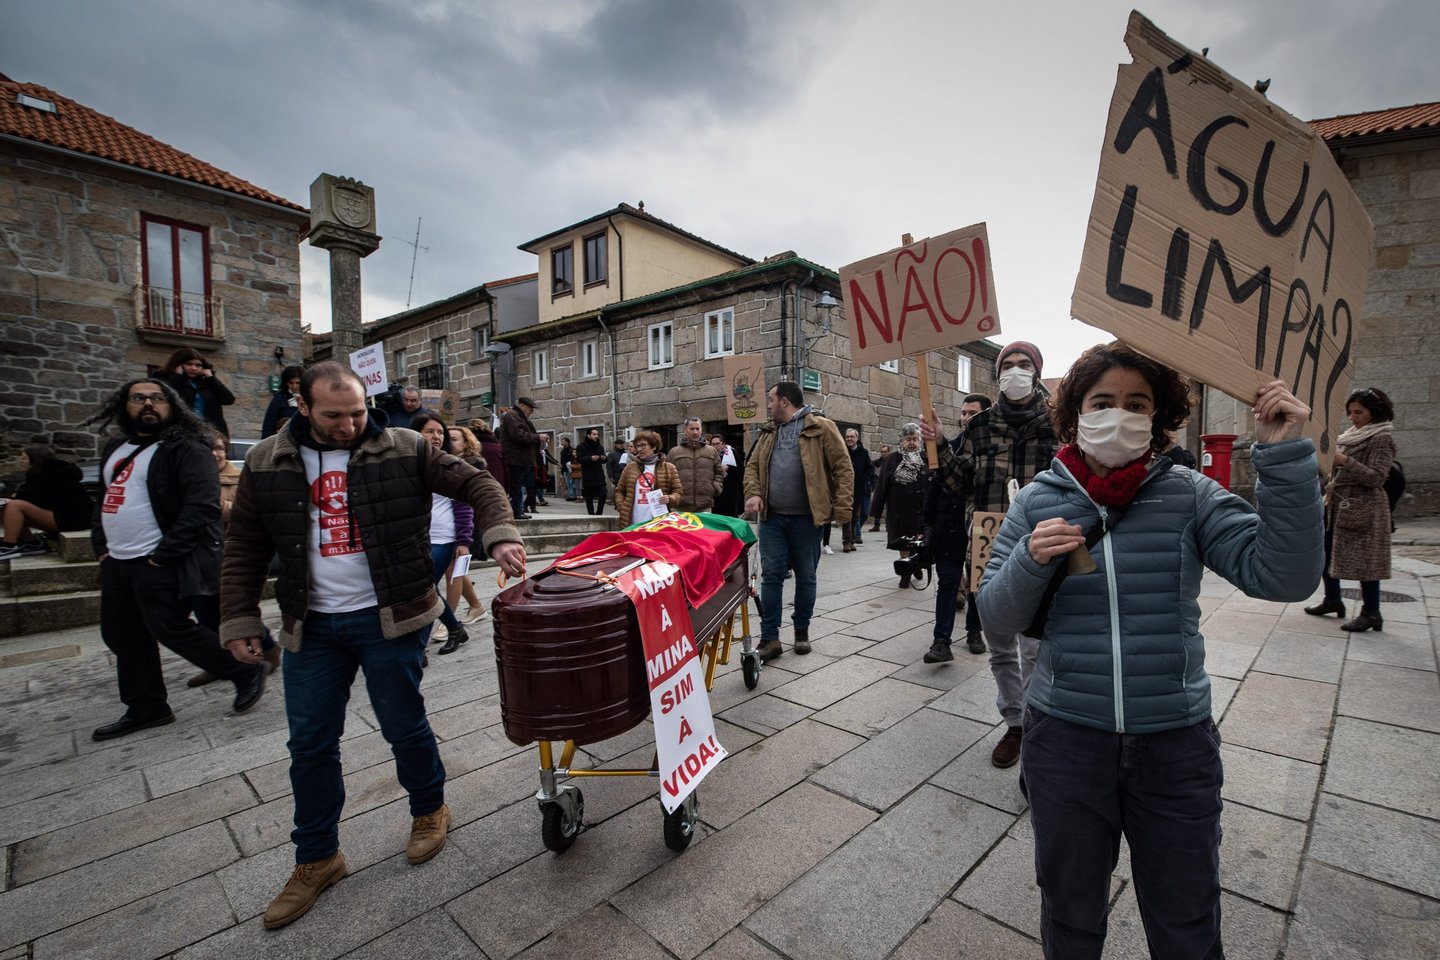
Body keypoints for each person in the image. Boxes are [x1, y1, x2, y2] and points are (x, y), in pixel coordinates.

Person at [977, 342, 1321, 959]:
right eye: (1102, 402)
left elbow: (1284, 577)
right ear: (1075, 414)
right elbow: (996, 619)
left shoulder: (1189, 494)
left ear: (1157, 416)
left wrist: (1283, 457)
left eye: (1136, 404)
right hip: (1066, 738)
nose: (1119, 415)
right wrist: (1029, 560)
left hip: (1174, 743)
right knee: (1070, 910)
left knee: (1186, 917)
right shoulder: (1035, 500)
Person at [219, 362, 524, 931]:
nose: (348, 425)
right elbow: (244, 546)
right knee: (309, 744)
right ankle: (316, 857)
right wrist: (238, 618)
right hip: (310, 626)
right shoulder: (266, 460)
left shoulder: (405, 447)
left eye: (357, 413)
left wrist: (499, 535)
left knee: (403, 724)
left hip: (392, 617)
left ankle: (429, 809)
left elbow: (479, 484)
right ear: (302, 407)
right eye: (333, 415)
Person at [85, 379, 266, 740]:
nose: (148, 404)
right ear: (123, 404)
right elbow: (107, 498)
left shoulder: (186, 449)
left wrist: (163, 556)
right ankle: (146, 706)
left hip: (159, 559)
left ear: (173, 405)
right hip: (118, 560)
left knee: (169, 626)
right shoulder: (117, 448)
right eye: (139, 398)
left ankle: (242, 669)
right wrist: (101, 547)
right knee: (122, 633)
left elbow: (201, 507)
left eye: (158, 398)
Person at [920, 341, 1057, 769]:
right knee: (1000, 645)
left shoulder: (1059, 422)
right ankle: (1015, 723)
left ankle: (1037, 723)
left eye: (1024, 364)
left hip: (1042, 540)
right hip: (989, 542)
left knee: (1034, 646)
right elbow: (958, 482)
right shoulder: (980, 426)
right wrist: (939, 444)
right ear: (998, 375)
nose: (1015, 371)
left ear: (1036, 371)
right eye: (1008, 365)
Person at [743, 382, 854, 661]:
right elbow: (752, 466)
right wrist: (754, 493)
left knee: (806, 577)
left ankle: (801, 630)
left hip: (807, 519)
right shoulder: (769, 431)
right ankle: (770, 638)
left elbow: (843, 468)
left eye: (770, 400)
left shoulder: (822, 427)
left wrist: (843, 507)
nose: (768, 405)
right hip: (772, 519)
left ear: (784, 401)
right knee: (771, 576)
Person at [186, 434, 281, 687]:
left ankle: (268, 650)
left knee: (232, 606)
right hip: (197, 554)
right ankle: (220, 661)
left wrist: (213, 504)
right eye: (207, 449)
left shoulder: (238, 477)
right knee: (205, 612)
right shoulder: (189, 479)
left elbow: (245, 515)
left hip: (227, 552)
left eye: (218, 448)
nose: (214, 454)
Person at [1304, 386, 1397, 633]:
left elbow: (1376, 477)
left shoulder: (1382, 438)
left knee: (1366, 561)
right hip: (1337, 503)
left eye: (1359, 412)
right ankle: (1332, 599)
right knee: (1325, 552)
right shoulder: (1349, 436)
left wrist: (1344, 461)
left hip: (1364, 507)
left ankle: (1371, 612)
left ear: (1374, 412)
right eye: (1350, 412)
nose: (1352, 417)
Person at [412, 415, 475, 656]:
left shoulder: (450, 465)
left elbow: (464, 506)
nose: (436, 436)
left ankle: (419, 648)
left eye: (440, 432)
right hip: (417, 537)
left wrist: (463, 541)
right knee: (424, 589)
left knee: (426, 589)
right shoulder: (408, 464)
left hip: (444, 538)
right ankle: (455, 628)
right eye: (430, 431)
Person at [0, 444, 93, 560]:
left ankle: (9, 546)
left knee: (14, 506)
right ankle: (32, 543)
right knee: (5, 507)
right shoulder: (39, 472)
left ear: (35, 459)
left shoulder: (52, 474)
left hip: (71, 519)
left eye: (24, 458)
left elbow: (38, 499)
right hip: (58, 515)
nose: (21, 461)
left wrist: (13, 500)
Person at [954, 393, 993, 656]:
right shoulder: (956, 444)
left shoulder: (992, 439)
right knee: (967, 573)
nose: (966, 418)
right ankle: (971, 629)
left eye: (972, 413)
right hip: (960, 518)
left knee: (979, 577)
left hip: (986, 516)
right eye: (964, 412)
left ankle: (979, 627)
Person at [870, 424, 931, 586]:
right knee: (903, 542)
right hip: (899, 509)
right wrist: (876, 509)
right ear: (902, 440)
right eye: (908, 439)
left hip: (922, 508)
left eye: (915, 439)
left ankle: (916, 564)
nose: (912, 443)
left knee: (919, 541)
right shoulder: (892, 459)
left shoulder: (926, 458)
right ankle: (905, 573)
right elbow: (882, 484)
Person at [446, 425, 490, 625]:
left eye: (454, 439)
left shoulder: (473, 466)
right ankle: (476, 606)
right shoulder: (440, 462)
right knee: (455, 569)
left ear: (467, 443)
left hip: (465, 524)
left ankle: (448, 623)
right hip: (445, 525)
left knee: (454, 569)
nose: (448, 442)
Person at [160, 347, 235, 439]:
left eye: (198, 365)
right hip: (181, 432)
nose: (193, 368)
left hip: (210, 433)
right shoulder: (166, 379)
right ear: (179, 365)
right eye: (189, 364)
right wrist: (177, 377)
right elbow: (166, 397)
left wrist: (211, 378)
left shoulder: (207, 382)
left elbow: (228, 400)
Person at [614, 431, 682, 526]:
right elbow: (619, 491)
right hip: (633, 522)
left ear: (654, 447)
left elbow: (678, 492)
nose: (639, 449)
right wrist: (622, 507)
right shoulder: (630, 467)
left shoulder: (669, 468)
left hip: (658, 522)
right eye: (637, 446)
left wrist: (670, 498)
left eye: (643, 445)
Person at [668, 416, 725, 514]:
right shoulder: (674, 452)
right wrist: (673, 494)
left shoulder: (711, 451)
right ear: (685, 430)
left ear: (701, 430)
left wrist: (715, 488)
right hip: (680, 505)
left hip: (704, 505)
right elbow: (667, 475)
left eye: (697, 429)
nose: (695, 432)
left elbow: (719, 472)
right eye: (692, 429)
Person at [499, 397, 542, 520]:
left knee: (517, 486)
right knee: (516, 487)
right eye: (530, 409)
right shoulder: (512, 416)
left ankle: (518, 511)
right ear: (523, 406)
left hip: (520, 459)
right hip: (515, 458)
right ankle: (517, 512)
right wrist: (537, 437)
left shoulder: (517, 416)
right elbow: (518, 435)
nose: (531, 412)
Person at [844, 429, 876, 551]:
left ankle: (853, 539)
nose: (849, 439)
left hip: (859, 489)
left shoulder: (864, 452)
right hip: (845, 489)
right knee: (846, 516)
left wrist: (866, 481)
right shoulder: (843, 450)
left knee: (857, 516)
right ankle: (847, 542)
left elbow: (870, 469)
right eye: (847, 437)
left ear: (857, 438)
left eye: (851, 437)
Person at [262, 365, 305, 439]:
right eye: (291, 383)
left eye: (298, 383)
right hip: (284, 439)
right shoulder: (279, 399)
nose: (294, 386)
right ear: (286, 383)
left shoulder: (310, 398)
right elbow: (269, 425)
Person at [575, 427, 609, 515]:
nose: (596, 436)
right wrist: (590, 458)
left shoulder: (599, 446)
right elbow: (579, 459)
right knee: (589, 497)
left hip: (599, 475)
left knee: (603, 494)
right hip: (588, 475)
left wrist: (604, 458)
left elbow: (604, 459)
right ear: (588, 435)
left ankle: (599, 513)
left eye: (597, 434)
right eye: (594, 434)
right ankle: (591, 514)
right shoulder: (581, 446)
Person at [710, 434, 742, 516]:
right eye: (713, 444)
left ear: (723, 444)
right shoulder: (710, 455)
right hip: (716, 491)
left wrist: (729, 468)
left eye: (717, 444)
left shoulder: (731, 452)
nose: (715, 446)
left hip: (729, 491)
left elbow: (740, 470)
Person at [869, 445, 891, 532]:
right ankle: (876, 525)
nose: (883, 453)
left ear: (888, 452)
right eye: (882, 451)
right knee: (877, 506)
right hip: (879, 486)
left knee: (889, 507)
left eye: (885, 452)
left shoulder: (892, 461)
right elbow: (872, 473)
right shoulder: (877, 462)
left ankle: (888, 525)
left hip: (889, 487)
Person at [559, 436, 579, 501]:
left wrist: (572, 466)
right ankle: (571, 495)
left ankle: (574, 496)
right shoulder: (562, 451)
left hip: (571, 469)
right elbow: (562, 462)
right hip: (565, 469)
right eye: (561, 441)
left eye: (563, 441)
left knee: (572, 483)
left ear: (567, 442)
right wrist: (561, 472)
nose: (562, 443)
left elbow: (574, 459)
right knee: (568, 483)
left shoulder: (572, 450)